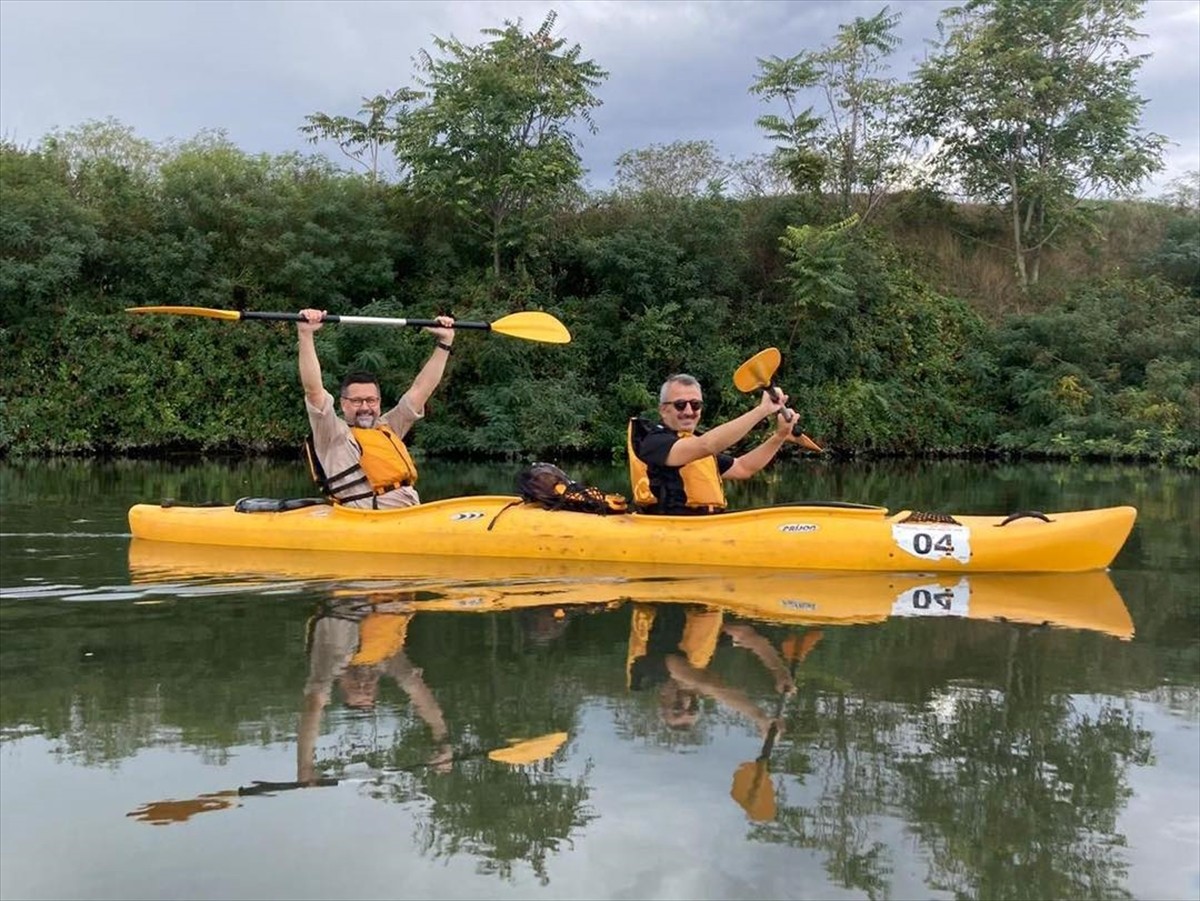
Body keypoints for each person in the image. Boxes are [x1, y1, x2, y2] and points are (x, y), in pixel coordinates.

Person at [297, 308, 456, 508]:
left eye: (371, 400)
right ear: (343, 404)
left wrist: (445, 342)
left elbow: (421, 390)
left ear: (379, 402)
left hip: (410, 511)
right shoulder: (331, 433)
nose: (365, 407)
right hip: (372, 517)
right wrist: (305, 334)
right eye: (357, 401)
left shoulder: (389, 427)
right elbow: (314, 391)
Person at [627, 373, 806, 515]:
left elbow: (743, 468)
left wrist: (779, 436)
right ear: (664, 410)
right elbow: (706, 445)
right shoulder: (653, 442)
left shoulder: (692, 442)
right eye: (680, 405)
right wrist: (762, 411)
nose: (689, 411)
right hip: (672, 527)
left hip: (709, 524)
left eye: (696, 405)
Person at [626, 604, 798, 737]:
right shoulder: (700, 651)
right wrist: (780, 673)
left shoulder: (644, 672)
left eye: (677, 708)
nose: (687, 702)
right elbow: (747, 635)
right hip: (701, 598)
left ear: (662, 699)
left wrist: (759, 717)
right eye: (693, 707)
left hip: (669, 589)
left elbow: (706, 682)